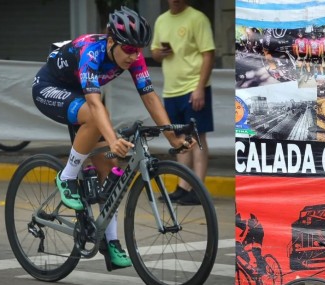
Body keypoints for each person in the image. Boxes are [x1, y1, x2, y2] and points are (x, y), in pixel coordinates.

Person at [32, 6, 192, 270]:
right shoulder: (91, 52)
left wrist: (172, 137)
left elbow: (150, 96)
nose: (134, 56)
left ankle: (112, 243)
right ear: (111, 41)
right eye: (128, 49)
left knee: (111, 172)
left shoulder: (134, 57)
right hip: (51, 88)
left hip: (82, 96)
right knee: (99, 119)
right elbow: (95, 105)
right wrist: (112, 137)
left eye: (139, 49)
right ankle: (67, 177)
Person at [151, 0, 215, 205]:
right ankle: (183, 186)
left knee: (197, 137)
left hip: (193, 87)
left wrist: (199, 88)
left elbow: (208, 54)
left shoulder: (197, 18)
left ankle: (198, 189)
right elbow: (153, 52)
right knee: (179, 138)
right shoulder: (161, 20)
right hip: (171, 89)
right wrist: (159, 54)